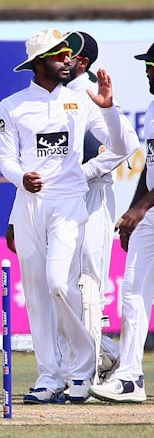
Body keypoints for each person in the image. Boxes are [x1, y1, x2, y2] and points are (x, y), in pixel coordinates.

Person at [0, 28, 139, 404]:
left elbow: (125, 146)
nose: (67, 61)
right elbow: (6, 160)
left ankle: (81, 370)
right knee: (37, 294)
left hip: (69, 204)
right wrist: (21, 179)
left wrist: (109, 109)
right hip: (30, 206)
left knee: (60, 283)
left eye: (68, 55)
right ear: (39, 63)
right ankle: (49, 376)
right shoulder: (11, 106)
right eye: (59, 55)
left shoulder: (82, 101)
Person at [89, 43, 154, 403]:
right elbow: (151, 166)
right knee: (132, 292)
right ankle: (130, 378)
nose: (147, 72)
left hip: (150, 208)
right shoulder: (152, 108)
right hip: (150, 211)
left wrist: (140, 208)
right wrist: (134, 211)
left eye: (153, 65)